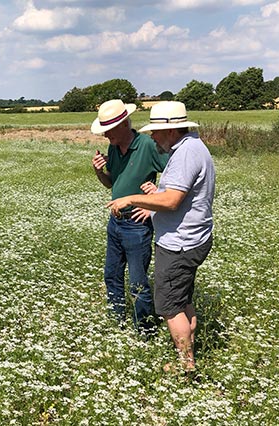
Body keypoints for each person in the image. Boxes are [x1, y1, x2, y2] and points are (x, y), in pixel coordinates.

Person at [106, 101, 215, 372]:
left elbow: (173, 201)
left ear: (172, 131)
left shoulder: (186, 153)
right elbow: (175, 196)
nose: (152, 136)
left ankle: (185, 365)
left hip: (180, 243)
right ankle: (188, 353)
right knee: (183, 301)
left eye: (156, 131)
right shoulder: (192, 147)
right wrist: (154, 197)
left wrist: (133, 198)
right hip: (191, 238)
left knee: (169, 307)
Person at [90, 99, 168, 335]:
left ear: (124, 124)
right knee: (111, 276)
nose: (105, 136)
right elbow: (112, 184)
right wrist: (98, 172)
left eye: (108, 130)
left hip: (136, 226)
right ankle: (117, 323)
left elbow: (177, 177)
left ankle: (144, 331)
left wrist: (153, 206)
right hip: (115, 222)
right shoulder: (114, 149)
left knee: (137, 283)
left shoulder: (147, 145)